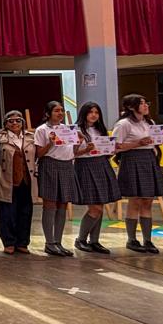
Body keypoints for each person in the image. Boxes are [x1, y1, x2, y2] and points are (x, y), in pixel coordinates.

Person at [113, 94, 163, 254]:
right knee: (134, 200)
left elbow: (154, 142)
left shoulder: (150, 122)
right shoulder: (124, 124)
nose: (145, 105)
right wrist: (138, 143)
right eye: (141, 103)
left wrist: (161, 139)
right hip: (132, 159)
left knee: (147, 201)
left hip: (149, 158)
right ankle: (132, 239)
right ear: (130, 107)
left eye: (146, 102)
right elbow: (115, 147)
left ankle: (148, 240)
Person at [73, 101, 121, 255]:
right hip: (85, 166)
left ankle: (94, 241)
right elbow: (72, 153)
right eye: (91, 112)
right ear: (84, 113)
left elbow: (106, 152)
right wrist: (85, 148)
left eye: (96, 112)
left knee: (100, 205)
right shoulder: (77, 130)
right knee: (95, 208)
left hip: (102, 164)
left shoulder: (100, 130)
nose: (94, 115)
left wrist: (111, 150)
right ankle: (81, 239)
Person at [33, 101, 80, 256]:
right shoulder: (42, 129)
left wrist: (78, 142)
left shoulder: (67, 129)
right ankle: (49, 242)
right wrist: (51, 143)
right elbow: (39, 154)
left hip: (66, 165)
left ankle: (58, 241)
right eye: (56, 111)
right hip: (50, 165)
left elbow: (73, 151)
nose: (60, 113)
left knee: (63, 203)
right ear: (48, 113)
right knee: (50, 203)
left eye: (61, 110)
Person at [0, 111, 38, 255]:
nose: (14, 123)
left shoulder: (31, 137)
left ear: (22, 122)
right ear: (5, 123)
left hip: (27, 179)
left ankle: (22, 242)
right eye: (10, 121)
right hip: (7, 179)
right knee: (6, 213)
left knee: (25, 212)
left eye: (18, 120)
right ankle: (9, 242)